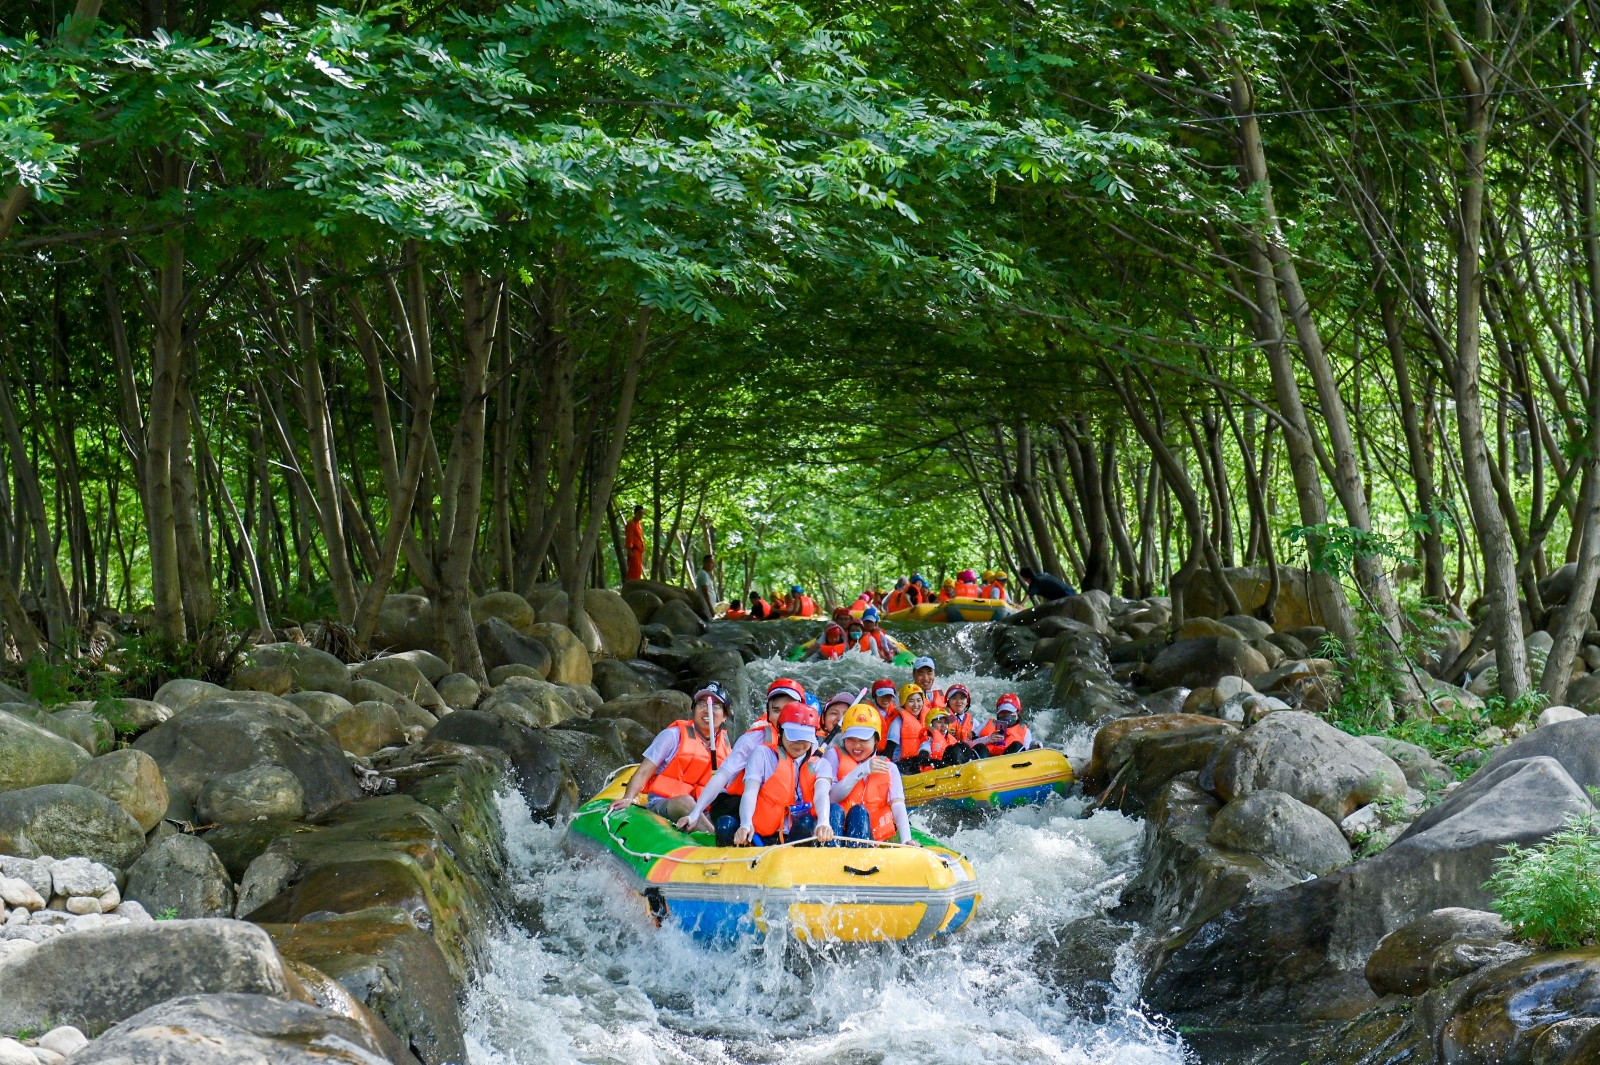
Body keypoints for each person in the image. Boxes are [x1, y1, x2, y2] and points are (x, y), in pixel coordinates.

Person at [678, 676, 806, 843]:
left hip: (780, 811)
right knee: (731, 823)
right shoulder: (754, 740)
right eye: (776, 710)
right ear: (768, 713)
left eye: (788, 709)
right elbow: (722, 775)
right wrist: (695, 814)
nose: (782, 717)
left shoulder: (808, 744)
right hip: (735, 805)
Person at [609, 682, 731, 829]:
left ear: (725, 716)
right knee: (686, 802)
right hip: (666, 803)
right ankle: (715, 841)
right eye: (702, 704)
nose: (708, 710)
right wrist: (628, 798)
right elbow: (643, 772)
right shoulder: (673, 736)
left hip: (704, 809)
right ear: (693, 710)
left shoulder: (726, 745)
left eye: (715, 706)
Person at [728, 703, 837, 846]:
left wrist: (823, 822)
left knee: (807, 823)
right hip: (762, 835)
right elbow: (750, 792)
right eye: (793, 736)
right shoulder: (762, 754)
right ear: (781, 732)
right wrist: (746, 823)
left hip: (799, 834)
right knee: (726, 825)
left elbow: (821, 794)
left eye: (804, 738)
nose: (799, 743)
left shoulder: (821, 765)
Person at [826, 704, 916, 845]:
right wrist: (861, 770)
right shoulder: (833, 756)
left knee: (859, 813)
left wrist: (906, 839)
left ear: (876, 740)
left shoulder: (890, 767)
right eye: (851, 739)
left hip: (874, 838)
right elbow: (831, 798)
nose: (856, 746)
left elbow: (897, 805)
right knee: (842, 810)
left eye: (863, 740)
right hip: (838, 833)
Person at [971, 693, 1036, 756]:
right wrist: (988, 739)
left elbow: (1027, 755)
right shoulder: (987, 723)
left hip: (1009, 763)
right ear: (998, 714)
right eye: (1002, 713)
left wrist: (1035, 747)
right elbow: (968, 743)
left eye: (1009, 712)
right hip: (985, 761)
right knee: (980, 747)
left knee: (1017, 746)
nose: (1006, 716)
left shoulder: (1025, 731)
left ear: (1017, 713)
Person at [886, 682, 930, 772]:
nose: (916, 705)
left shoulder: (927, 719)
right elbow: (889, 751)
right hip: (901, 765)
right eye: (911, 701)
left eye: (919, 700)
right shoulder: (897, 724)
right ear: (903, 703)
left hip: (918, 760)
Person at [625, 505, 647, 582]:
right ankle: (630, 586)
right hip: (633, 550)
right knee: (634, 569)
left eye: (642, 513)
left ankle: (636, 585)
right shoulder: (631, 524)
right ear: (635, 513)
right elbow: (629, 537)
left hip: (639, 551)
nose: (641, 515)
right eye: (639, 513)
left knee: (638, 570)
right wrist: (629, 550)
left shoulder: (639, 525)